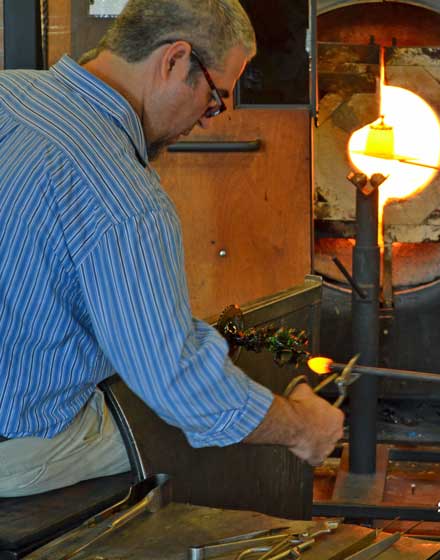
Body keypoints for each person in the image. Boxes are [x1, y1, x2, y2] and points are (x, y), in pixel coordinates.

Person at [0, 0, 344, 498]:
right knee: (165, 420)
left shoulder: (9, 91)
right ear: (174, 60)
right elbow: (176, 382)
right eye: (214, 98)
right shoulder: (123, 197)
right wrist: (301, 426)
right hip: (15, 452)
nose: (208, 120)